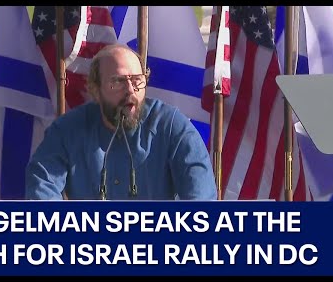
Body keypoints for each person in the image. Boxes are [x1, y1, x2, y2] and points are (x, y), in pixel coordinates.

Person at [25, 44, 217, 200]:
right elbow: (41, 188)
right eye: (117, 82)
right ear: (96, 90)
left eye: (137, 81)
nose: (131, 92)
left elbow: (201, 200)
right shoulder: (67, 130)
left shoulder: (173, 126)